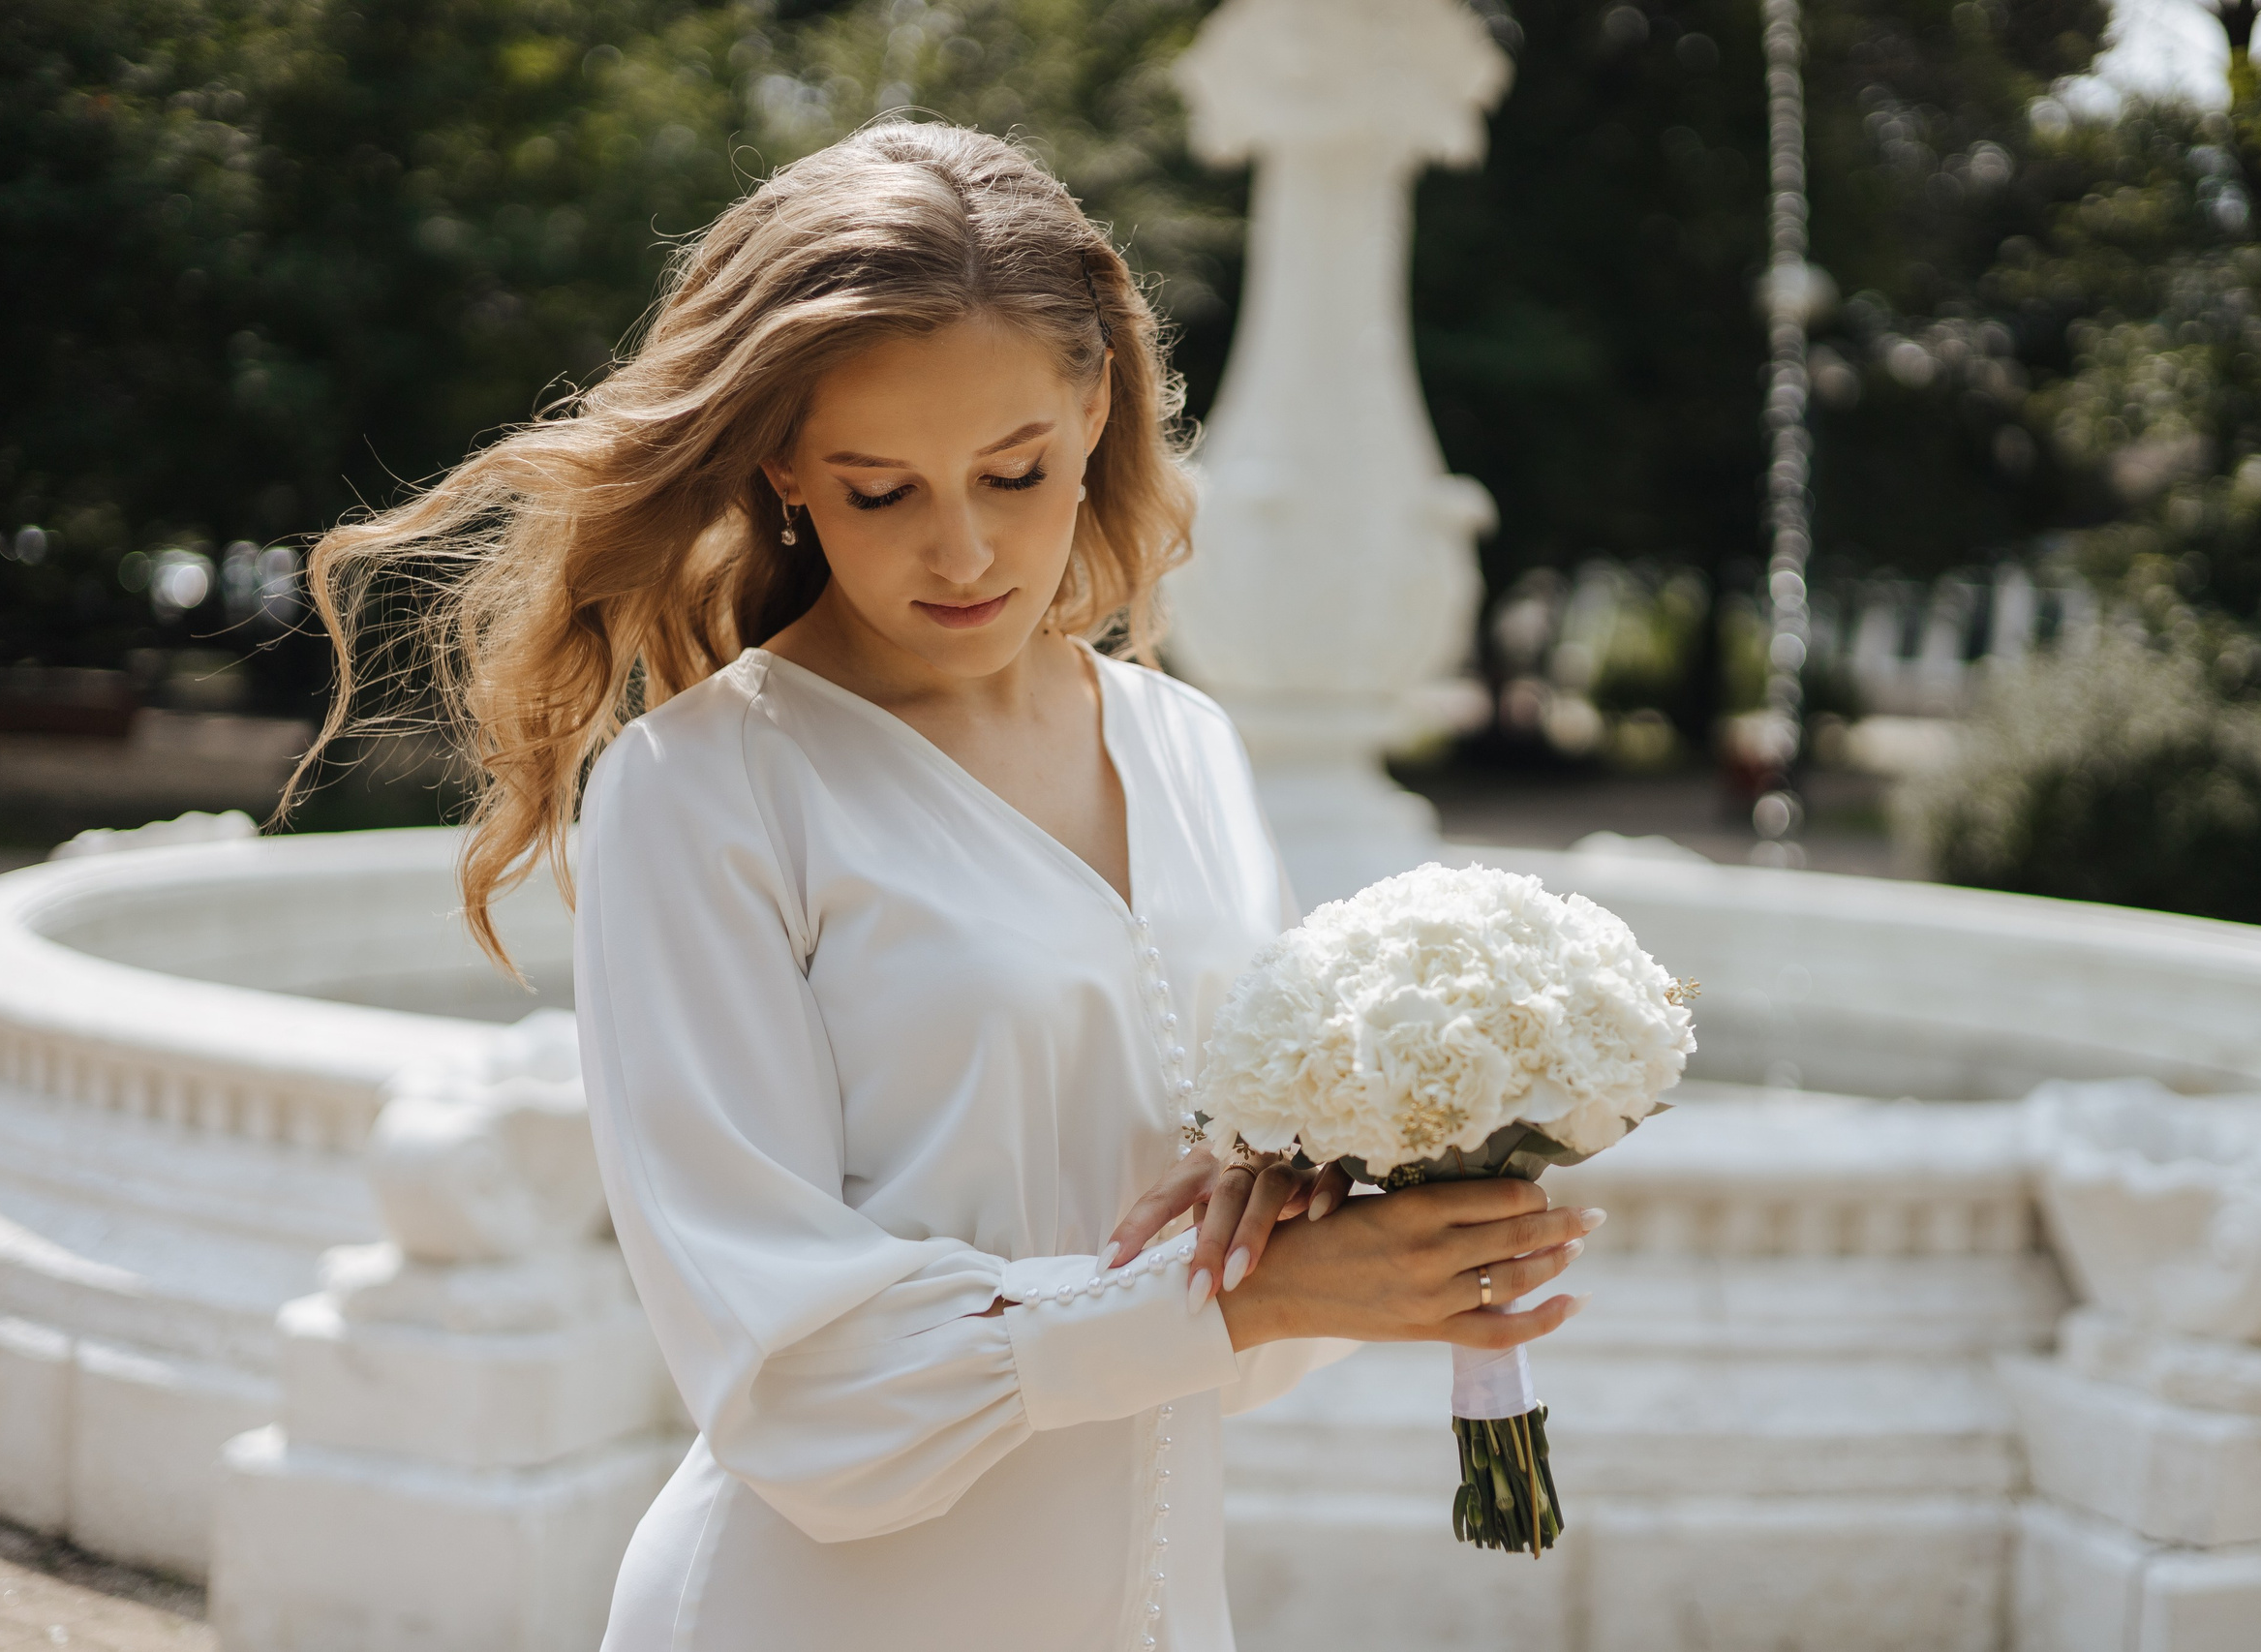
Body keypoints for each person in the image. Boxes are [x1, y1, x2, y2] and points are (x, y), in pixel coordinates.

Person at [298, 121, 1593, 1651]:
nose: (965, 549)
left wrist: (1367, 1226)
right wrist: (1242, 1298)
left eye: (1014, 470)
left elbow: (1211, 1314)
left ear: (1095, 405)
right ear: (783, 466)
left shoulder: (1184, 747)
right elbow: (792, 1384)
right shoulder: (706, 791)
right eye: (879, 490)